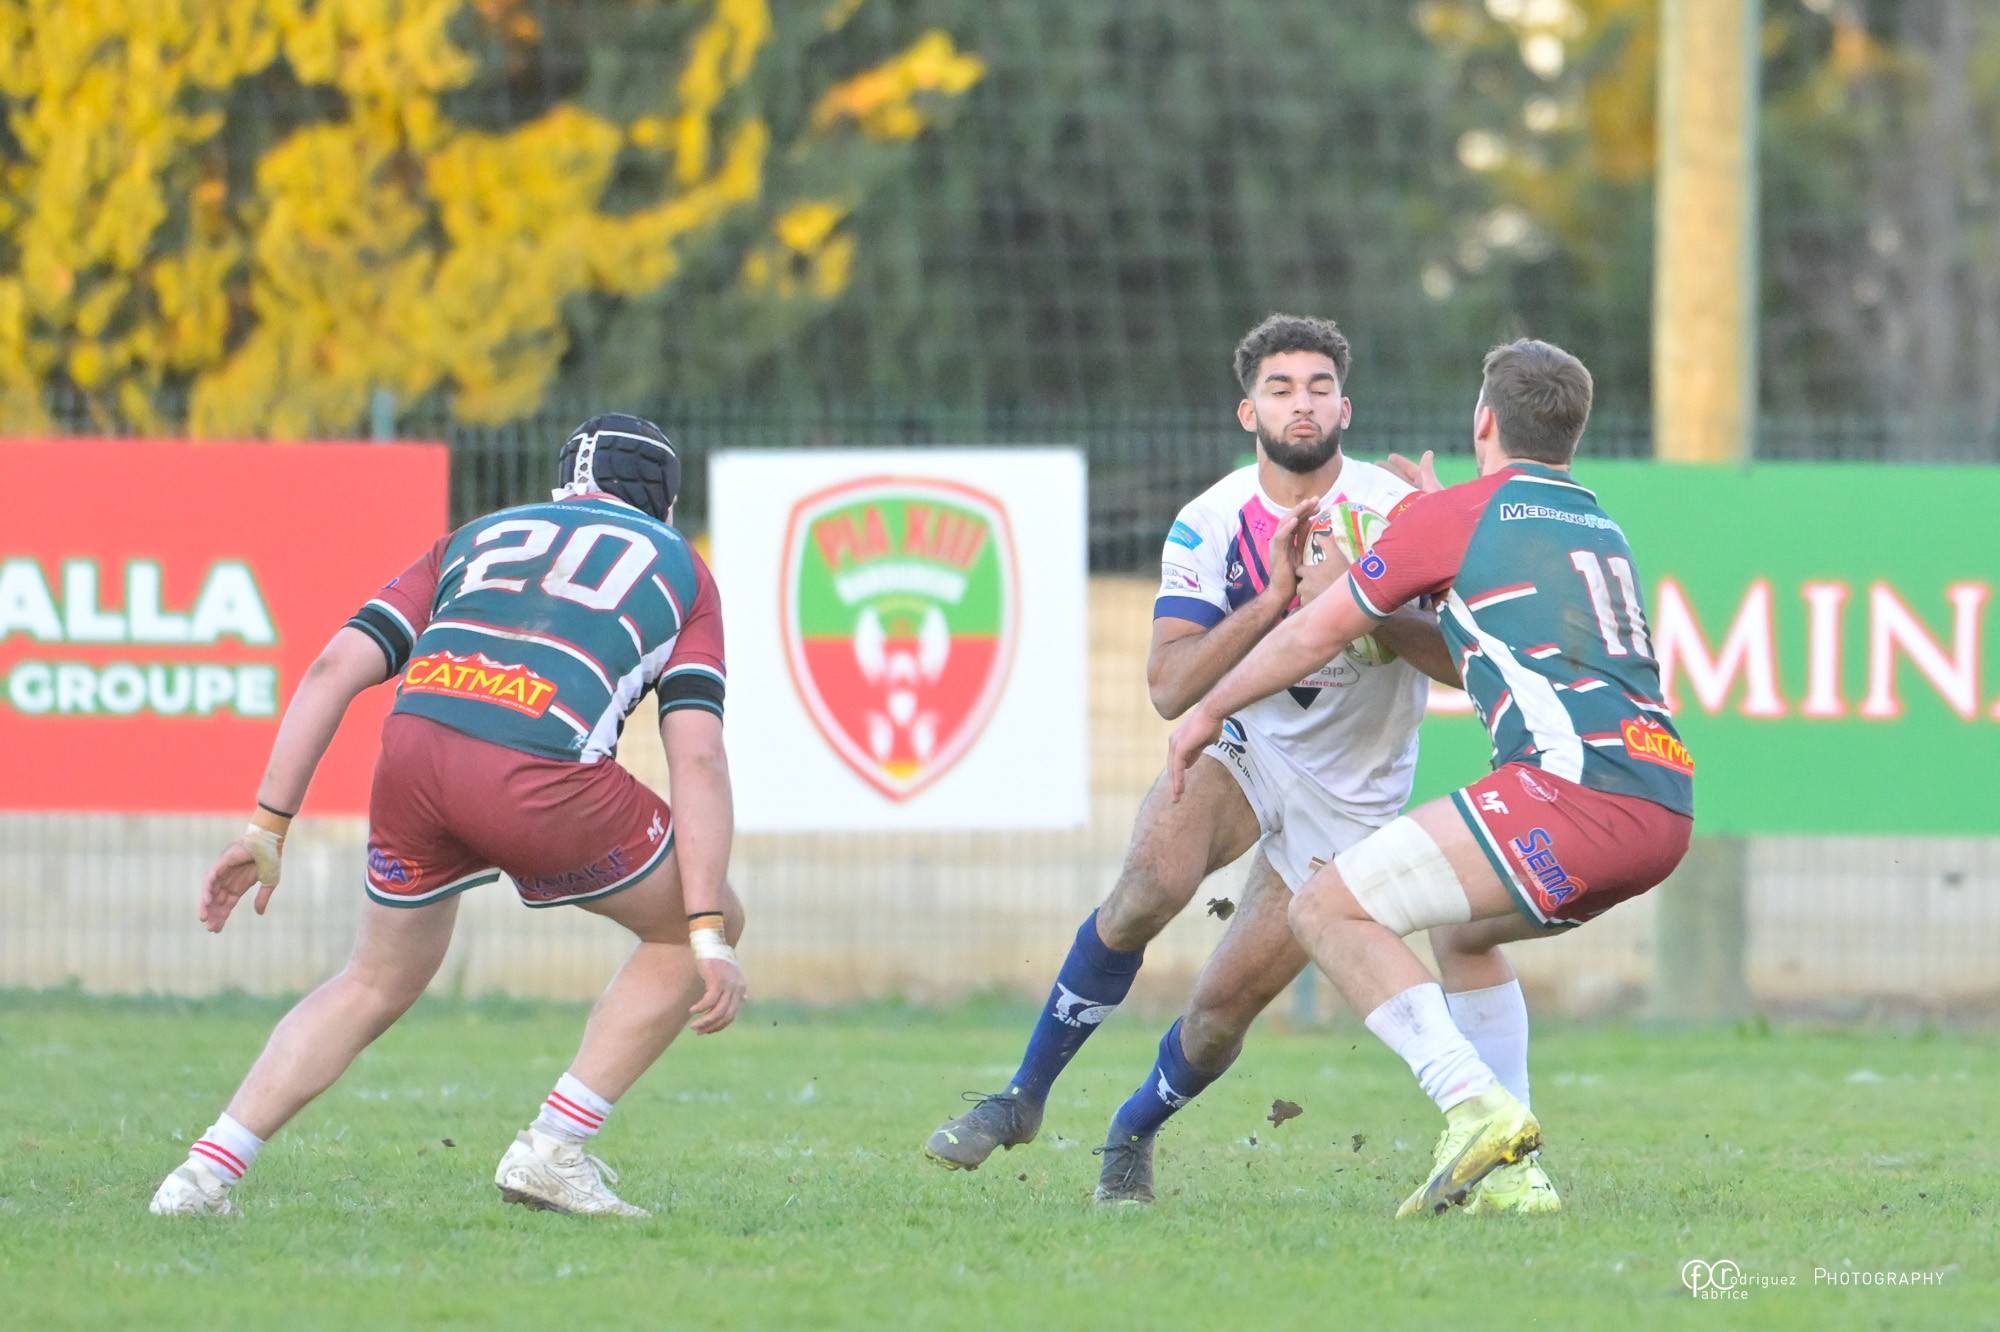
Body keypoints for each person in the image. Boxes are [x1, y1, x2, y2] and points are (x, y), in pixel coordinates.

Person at [923, 315, 1465, 1207]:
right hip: (1247, 747)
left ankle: (1131, 1130)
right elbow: (1171, 686)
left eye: (1319, 387)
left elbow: (1463, 665)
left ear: (1346, 408)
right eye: (1280, 389)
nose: (1301, 403)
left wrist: (1363, 601)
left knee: (1218, 1016)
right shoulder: (1210, 520)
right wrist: (1275, 600)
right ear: (1248, 412)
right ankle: (1020, 1098)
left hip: (1354, 798)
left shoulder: (1398, 515)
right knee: (1149, 885)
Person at [149, 414, 746, 1219]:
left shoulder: (479, 534)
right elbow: (698, 757)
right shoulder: (682, 568)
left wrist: (266, 828)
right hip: (540, 767)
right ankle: (553, 1149)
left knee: (372, 980)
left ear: (562, 485)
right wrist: (707, 929)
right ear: (664, 503)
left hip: (414, 756)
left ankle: (200, 1177)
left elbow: (332, 669)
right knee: (697, 925)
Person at [1166, 340, 1694, 1219]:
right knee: (1463, 933)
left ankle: (1473, 1105)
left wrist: (1206, 711)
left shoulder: (1458, 516)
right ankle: (1513, 1173)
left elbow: (1313, 632)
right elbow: (1492, 587)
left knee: (1325, 909)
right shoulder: (1595, 521)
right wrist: (1429, 520)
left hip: (1570, 792)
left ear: (1484, 421)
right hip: (1662, 805)